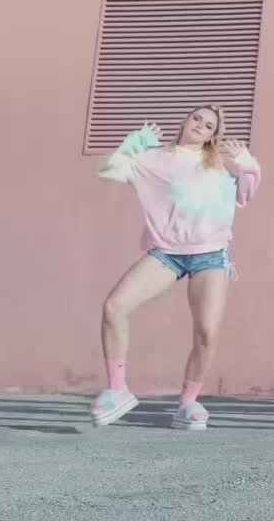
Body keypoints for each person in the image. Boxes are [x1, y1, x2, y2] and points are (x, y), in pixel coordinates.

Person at [90, 106, 261, 431]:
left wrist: (248, 165)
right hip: (167, 253)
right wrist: (134, 143)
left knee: (207, 332)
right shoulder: (155, 159)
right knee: (114, 307)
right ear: (185, 121)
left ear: (212, 136)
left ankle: (188, 403)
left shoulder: (218, 165)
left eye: (208, 125)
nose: (200, 125)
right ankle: (117, 390)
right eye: (197, 118)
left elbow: (246, 192)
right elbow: (107, 168)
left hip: (210, 254)